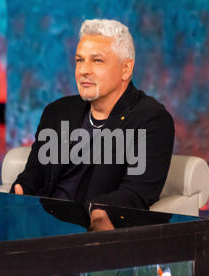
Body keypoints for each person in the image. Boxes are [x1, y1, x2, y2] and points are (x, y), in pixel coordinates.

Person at [10, 19, 175, 231]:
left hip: (90, 233)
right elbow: (35, 173)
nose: (84, 70)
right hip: (42, 227)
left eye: (97, 61)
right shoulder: (57, 112)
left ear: (126, 69)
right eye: (80, 60)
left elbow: (137, 193)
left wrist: (99, 212)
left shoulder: (151, 119)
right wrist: (21, 190)